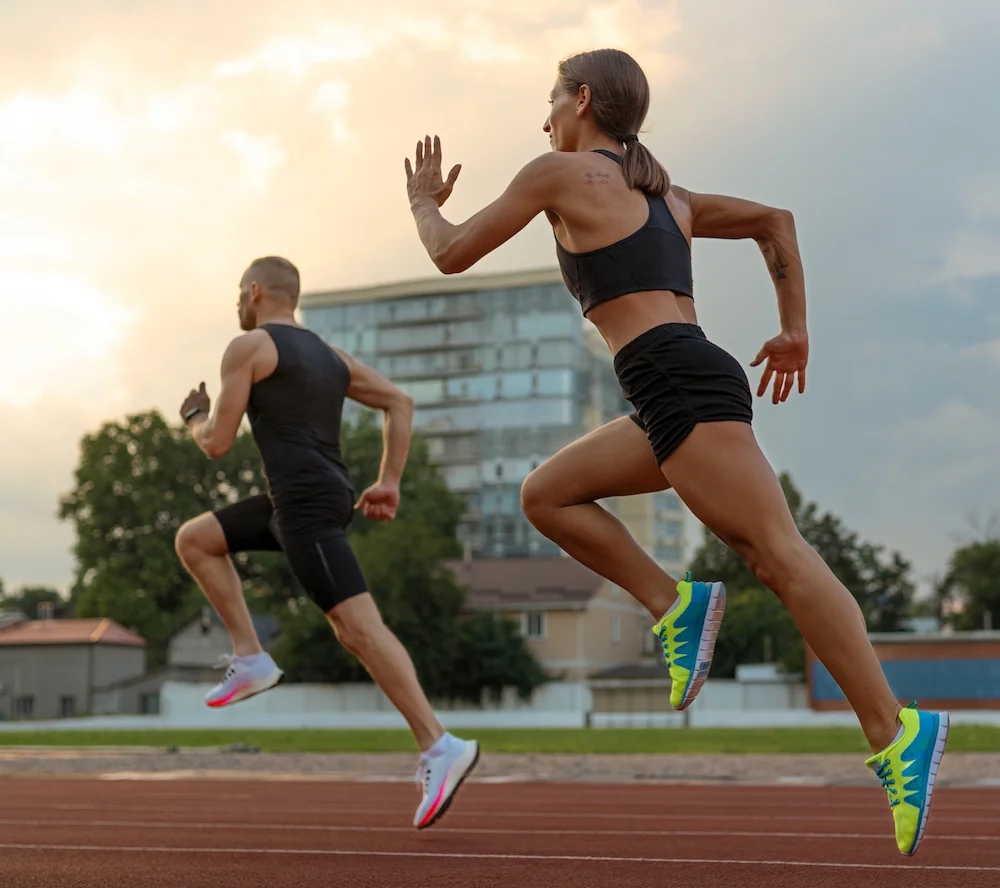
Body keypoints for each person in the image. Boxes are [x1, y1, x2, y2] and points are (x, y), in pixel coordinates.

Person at [403, 48, 948, 856]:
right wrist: (793, 325)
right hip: (672, 386)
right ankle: (674, 604)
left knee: (780, 556)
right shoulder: (671, 198)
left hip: (676, 380)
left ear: (582, 101)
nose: (543, 119)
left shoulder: (558, 173)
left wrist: (421, 202)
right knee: (546, 494)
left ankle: (895, 731)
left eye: (550, 102)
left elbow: (448, 252)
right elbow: (776, 222)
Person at [173, 255, 479, 829]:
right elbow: (399, 402)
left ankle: (441, 745)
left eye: (240, 293)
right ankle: (250, 656)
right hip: (299, 500)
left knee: (359, 629)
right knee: (195, 539)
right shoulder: (331, 357)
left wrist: (194, 416)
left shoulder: (248, 348)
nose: (237, 303)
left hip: (306, 507)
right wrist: (387, 481)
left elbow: (216, 442)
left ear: (257, 291)